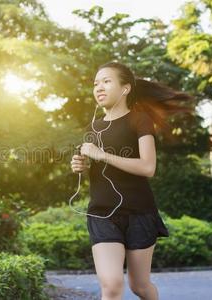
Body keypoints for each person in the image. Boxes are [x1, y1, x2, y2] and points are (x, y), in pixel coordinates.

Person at [70, 61, 194, 300]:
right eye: (96, 83)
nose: (99, 88)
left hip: (139, 213)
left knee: (140, 286)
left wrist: (102, 155)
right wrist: (80, 166)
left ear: (125, 88)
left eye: (106, 81)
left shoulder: (139, 120)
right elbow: (92, 167)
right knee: (112, 286)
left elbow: (148, 167)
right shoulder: (92, 128)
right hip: (102, 213)